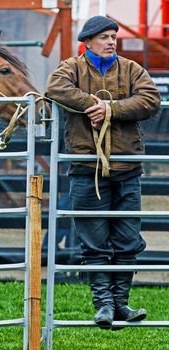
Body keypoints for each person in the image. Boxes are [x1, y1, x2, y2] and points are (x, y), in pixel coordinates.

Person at [46, 15, 161, 329]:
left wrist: (112, 109)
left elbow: (151, 98)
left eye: (113, 36)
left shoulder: (131, 69)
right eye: (105, 37)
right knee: (94, 242)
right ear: (88, 41)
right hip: (87, 168)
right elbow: (55, 87)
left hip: (127, 168)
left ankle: (121, 304)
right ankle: (104, 306)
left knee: (127, 241)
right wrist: (90, 103)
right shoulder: (71, 68)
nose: (111, 41)